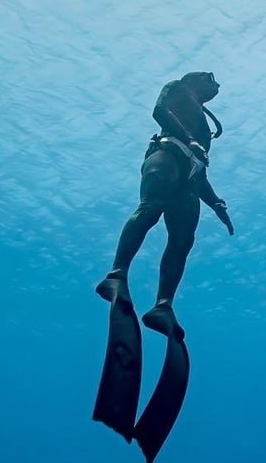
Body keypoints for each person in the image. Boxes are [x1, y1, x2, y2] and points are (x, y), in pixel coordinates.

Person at [92, 71, 234, 463]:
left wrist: (217, 202)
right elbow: (158, 111)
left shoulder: (206, 126)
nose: (217, 84)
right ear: (196, 78)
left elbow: (202, 171)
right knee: (149, 209)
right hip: (166, 155)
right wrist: (187, 138)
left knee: (182, 241)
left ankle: (163, 305)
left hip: (190, 175)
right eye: (212, 78)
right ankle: (117, 274)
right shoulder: (179, 89)